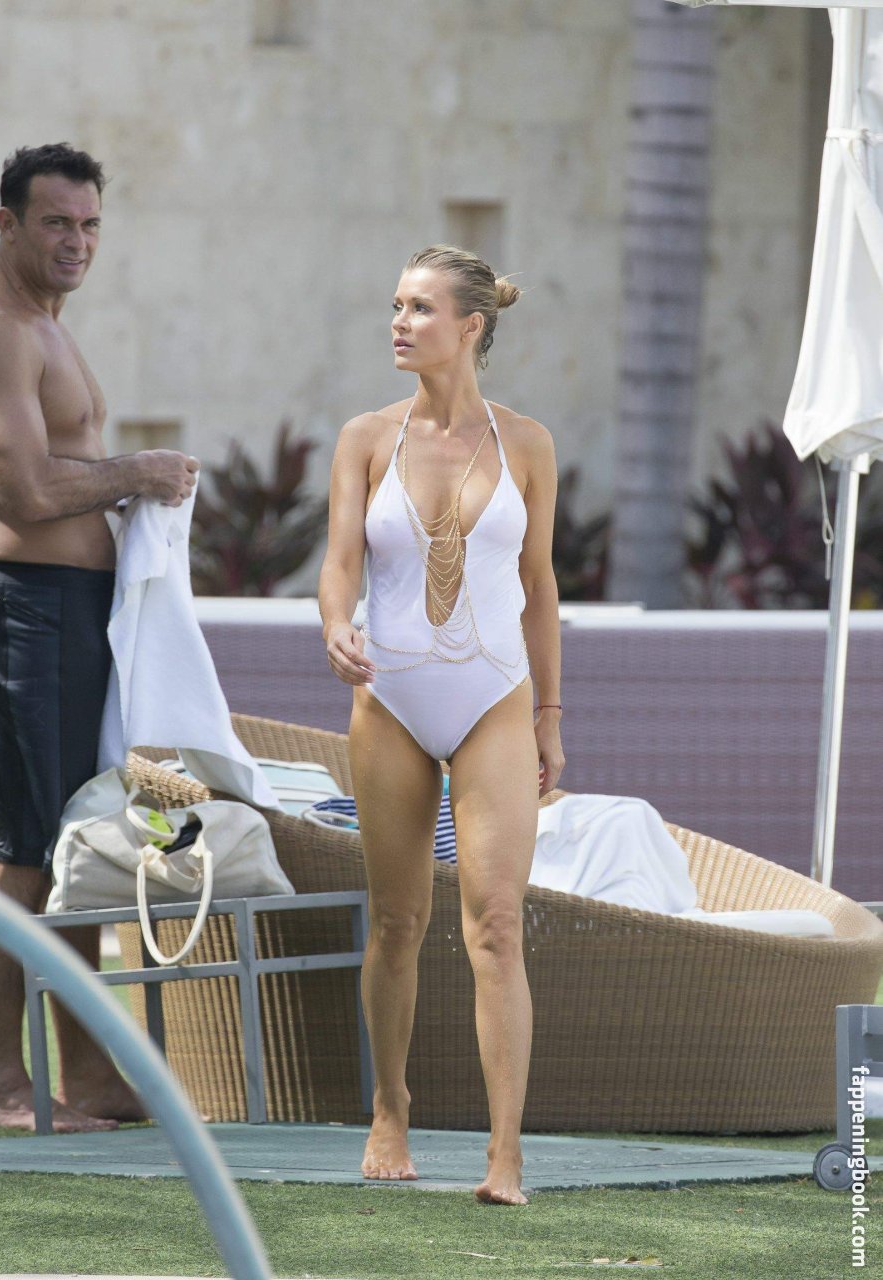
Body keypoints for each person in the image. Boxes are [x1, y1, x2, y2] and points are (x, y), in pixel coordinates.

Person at [0, 143, 199, 1132]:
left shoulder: (46, 326)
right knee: (25, 846)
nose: (76, 241)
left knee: (78, 843)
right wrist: (138, 473)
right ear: (8, 224)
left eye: (89, 225)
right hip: (30, 611)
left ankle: (84, 1072)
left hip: (74, 614)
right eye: (56, 223)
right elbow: (28, 490)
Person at [319, 245, 564, 1205]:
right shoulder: (365, 438)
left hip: (495, 699)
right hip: (389, 700)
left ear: (470, 326)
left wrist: (549, 716)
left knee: (496, 926)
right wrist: (335, 623)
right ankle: (391, 1110)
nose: (399, 321)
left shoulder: (528, 444)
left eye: (420, 308)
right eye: (395, 305)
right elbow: (340, 562)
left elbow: (540, 586)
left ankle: (506, 1155)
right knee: (398, 921)